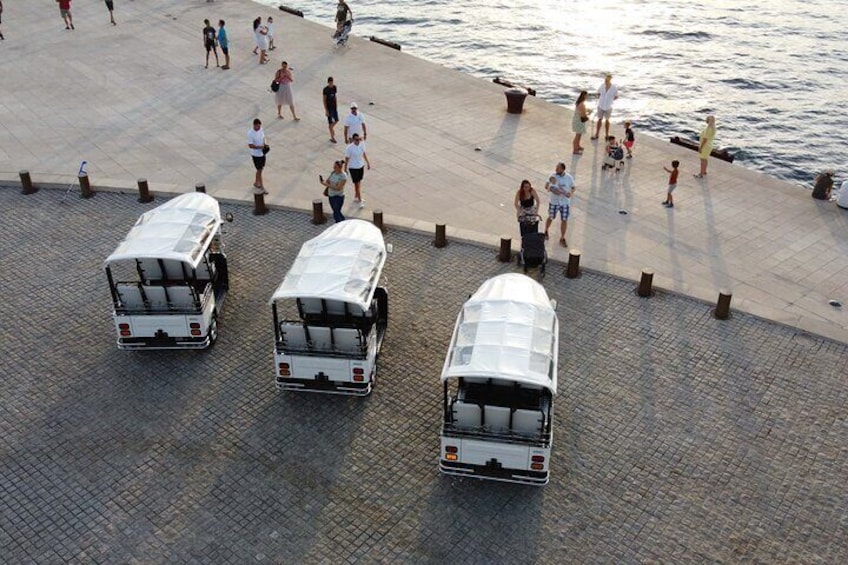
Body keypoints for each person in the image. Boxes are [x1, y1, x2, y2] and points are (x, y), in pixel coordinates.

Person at [543, 162, 575, 247]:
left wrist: (570, 193)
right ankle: (546, 231)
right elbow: (546, 185)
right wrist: (552, 189)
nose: (556, 169)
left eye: (558, 168)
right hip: (554, 201)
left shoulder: (569, 177)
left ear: (563, 169)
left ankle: (562, 237)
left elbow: (573, 187)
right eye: (556, 168)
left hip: (564, 202)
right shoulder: (552, 175)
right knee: (551, 217)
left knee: (564, 220)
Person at [344, 133, 371, 207]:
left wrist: (368, 163)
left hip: (360, 166)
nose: (358, 141)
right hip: (353, 167)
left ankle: (356, 196)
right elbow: (347, 158)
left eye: (359, 139)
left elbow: (364, 154)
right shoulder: (349, 148)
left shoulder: (362, 144)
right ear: (353, 140)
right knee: (356, 184)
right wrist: (345, 168)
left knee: (359, 182)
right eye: (356, 140)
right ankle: (359, 200)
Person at [592, 74, 617, 140]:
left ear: (610, 80)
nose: (605, 81)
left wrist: (611, 100)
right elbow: (598, 93)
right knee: (599, 119)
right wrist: (597, 96)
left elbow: (616, 96)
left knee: (607, 120)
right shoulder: (602, 86)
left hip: (608, 106)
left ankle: (606, 135)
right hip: (601, 105)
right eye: (605, 79)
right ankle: (597, 134)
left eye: (607, 80)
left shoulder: (613, 88)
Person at [247, 119, 268, 194]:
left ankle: (256, 182)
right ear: (254, 125)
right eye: (257, 126)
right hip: (256, 155)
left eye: (259, 126)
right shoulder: (250, 133)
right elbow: (250, 145)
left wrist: (265, 144)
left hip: (262, 153)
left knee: (261, 169)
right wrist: (259, 147)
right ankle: (262, 187)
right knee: (259, 169)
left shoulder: (261, 129)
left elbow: (263, 138)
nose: (259, 128)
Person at [571, 90, 590, 155]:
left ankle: (578, 146)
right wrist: (588, 114)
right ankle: (575, 150)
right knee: (577, 136)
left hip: (577, 121)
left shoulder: (579, 102)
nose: (587, 97)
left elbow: (581, 111)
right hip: (579, 122)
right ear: (584, 96)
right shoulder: (582, 104)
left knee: (579, 135)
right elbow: (583, 115)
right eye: (587, 95)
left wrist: (586, 111)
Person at [323, 77, 339, 143]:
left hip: (334, 107)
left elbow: (335, 96)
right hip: (329, 108)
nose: (331, 83)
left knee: (337, 120)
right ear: (328, 82)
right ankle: (332, 137)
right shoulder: (325, 89)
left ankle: (331, 127)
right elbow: (324, 100)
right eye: (330, 82)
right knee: (330, 122)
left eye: (332, 82)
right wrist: (326, 110)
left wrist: (336, 104)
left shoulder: (334, 87)